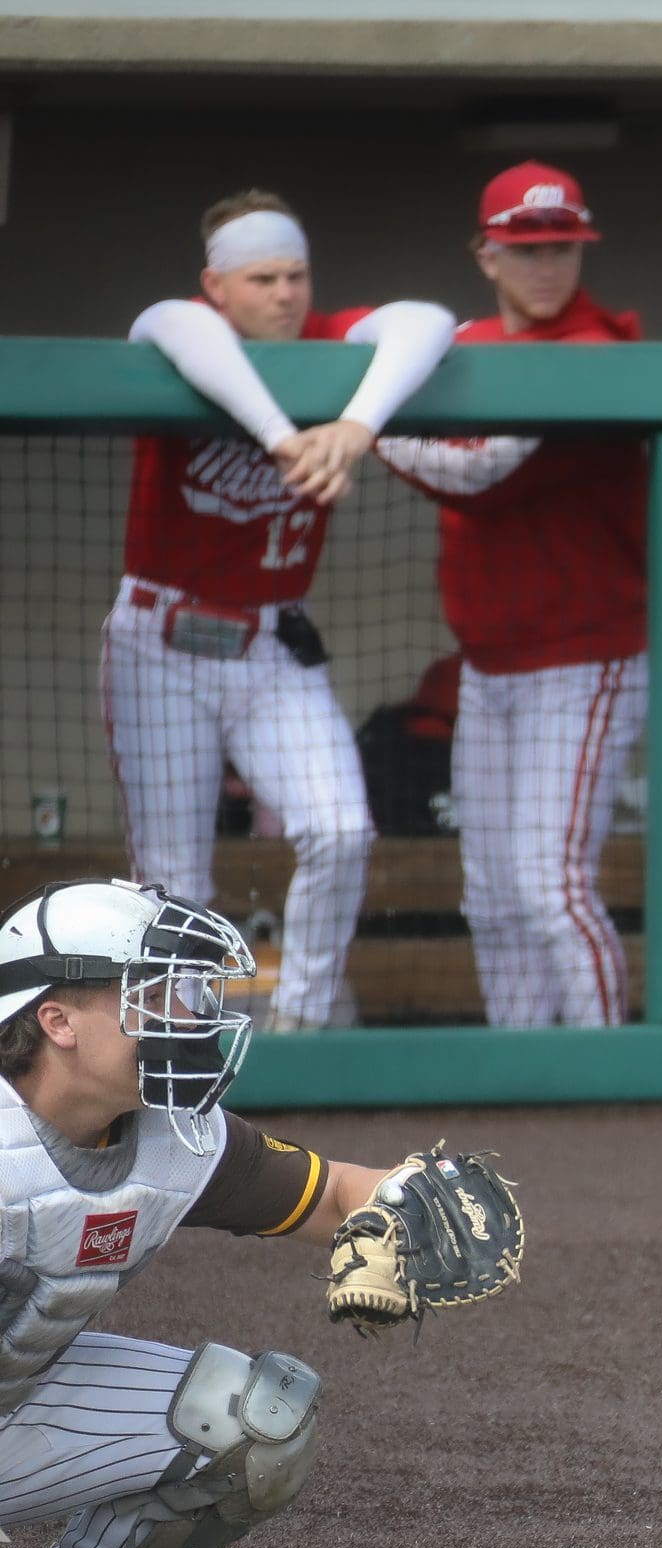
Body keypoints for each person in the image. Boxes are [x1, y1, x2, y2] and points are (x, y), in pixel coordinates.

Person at [0, 879, 464, 1548]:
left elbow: (330, 1197)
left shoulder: (177, 1134)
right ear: (56, 1021)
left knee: (255, 1423)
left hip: (15, 1400)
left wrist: (424, 1204)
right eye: (149, 994)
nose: (185, 1014)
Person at [111, 193, 456, 1031]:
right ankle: (179, 1049)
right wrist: (279, 432)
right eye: (261, 277)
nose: (285, 292)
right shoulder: (187, 333)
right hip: (160, 638)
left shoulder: (334, 349)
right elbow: (164, 323)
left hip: (271, 643)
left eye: (296, 274)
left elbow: (430, 320)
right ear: (218, 284)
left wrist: (356, 425)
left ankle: (302, 1025)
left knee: (340, 828)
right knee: (172, 876)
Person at [376, 163, 646, 1027]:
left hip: (587, 657)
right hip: (490, 667)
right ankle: (522, 1066)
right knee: (490, 894)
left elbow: (479, 476)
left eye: (559, 247)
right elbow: (362, 333)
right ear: (486, 255)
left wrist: (360, 429)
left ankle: (610, 1075)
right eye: (524, 249)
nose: (544, 267)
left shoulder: (600, 347)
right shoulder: (459, 345)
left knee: (549, 884)